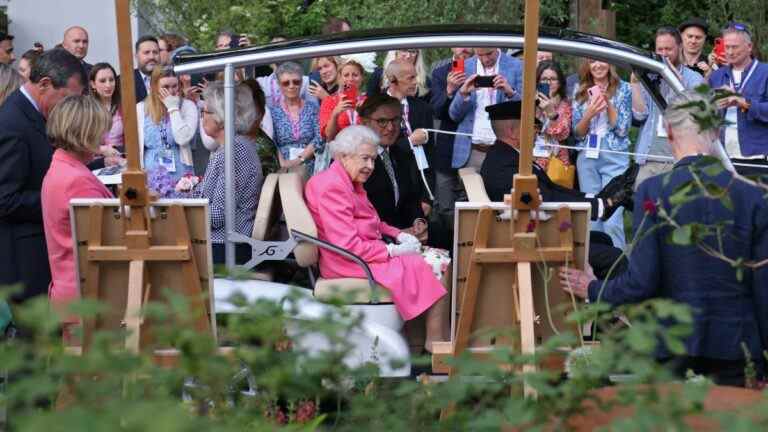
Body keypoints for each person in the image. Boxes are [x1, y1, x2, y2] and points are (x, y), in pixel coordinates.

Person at [560, 90, 768, 387]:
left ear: (669, 132)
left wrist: (593, 288)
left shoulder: (655, 191)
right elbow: (763, 287)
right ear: (717, 131)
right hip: (736, 346)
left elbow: (641, 282)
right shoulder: (753, 195)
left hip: (673, 346)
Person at [305, 125, 448, 351]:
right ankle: (435, 342)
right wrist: (391, 251)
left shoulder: (346, 180)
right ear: (343, 155)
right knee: (438, 263)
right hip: (349, 262)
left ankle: (418, 342)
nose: (370, 166)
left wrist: (398, 234)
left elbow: (373, 221)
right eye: (365, 159)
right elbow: (347, 245)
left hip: (364, 253)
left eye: (373, 159)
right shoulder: (332, 186)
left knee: (438, 256)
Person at [480, 99, 635, 278]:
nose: (536, 134)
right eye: (533, 127)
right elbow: (548, 200)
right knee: (614, 258)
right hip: (533, 242)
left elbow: (551, 189)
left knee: (603, 239)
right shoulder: (505, 167)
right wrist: (600, 205)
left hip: (537, 231)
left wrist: (595, 199)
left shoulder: (509, 157)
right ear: (513, 132)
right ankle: (608, 302)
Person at [0, 48, 85, 305]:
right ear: (45, 84)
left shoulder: (31, 114)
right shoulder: (12, 123)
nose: (69, 108)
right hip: (24, 260)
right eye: (66, 98)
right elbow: (5, 200)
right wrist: (59, 202)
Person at [41, 95, 112, 331]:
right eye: (100, 131)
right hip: (86, 296)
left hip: (70, 292)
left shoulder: (62, 166)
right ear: (85, 133)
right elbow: (108, 239)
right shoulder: (76, 180)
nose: (103, 138)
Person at [182, 82, 263, 265]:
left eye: (205, 111)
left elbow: (218, 215)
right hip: (222, 244)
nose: (202, 116)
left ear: (220, 116)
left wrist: (180, 213)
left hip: (226, 248)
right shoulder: (231, 148)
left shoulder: (233, 151)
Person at [359, 94, 451, 250]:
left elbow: (410, 198)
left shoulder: (399, 151)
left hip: (406, 231)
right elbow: (359, 217)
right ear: (365, 123)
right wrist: (397, 234)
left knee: (453, 236)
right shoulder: (356, 160)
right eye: (382, 121)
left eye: (396, 120)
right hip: (375, 240)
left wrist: (418, 221)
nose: (390, 127)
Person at [631, 27, 704, 187]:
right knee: (646, 209)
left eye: (668, 49)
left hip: (680, 159)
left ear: (680, 48)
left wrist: (676, 80)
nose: (663, 54)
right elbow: (639, 116)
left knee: (677, 210)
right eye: (660, 49)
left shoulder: (694, 79)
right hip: (650, 157)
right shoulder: (648, 77)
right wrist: (635, 85)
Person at [572, 59, 632, 249]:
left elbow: (622, 130)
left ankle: (619, 268)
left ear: (610, 64)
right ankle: (596, 266)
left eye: (602, 61)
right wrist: (589, 113)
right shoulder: (579, 90)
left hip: (614, 155)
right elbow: (577, 133)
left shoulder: (624, 89)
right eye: (592, 62)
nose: (597, 65)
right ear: (587, 66)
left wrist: (608, 104)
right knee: (592, 215)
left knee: (613, 218)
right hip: (587, 155)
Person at [708, 22, 768, 176]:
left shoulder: (765, 72)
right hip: (722, 156)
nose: (729, 52)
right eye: (727, 47)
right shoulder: (716, 76)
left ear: (749, 47)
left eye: (735, 47)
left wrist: (743, 102)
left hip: (756, 157)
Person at [449, 47, 523, 171]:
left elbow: (527, 111)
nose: (485, 59)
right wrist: (463, 94)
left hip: (504, 151)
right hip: (471, 151)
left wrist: (510, 92)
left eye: (489, 54)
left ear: (497, 47)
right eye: (480, 55)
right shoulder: (464, 66)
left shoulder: (517, 66)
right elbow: (454, 115)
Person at [429, 48, 473, 218]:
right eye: (459, 44)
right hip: (448, 145)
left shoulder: (481, 70)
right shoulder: (441, 72)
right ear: (452, 48)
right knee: (445, 206)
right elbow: (437, 111)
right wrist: (449, 90)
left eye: (468, 43)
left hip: (475, 146)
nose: (464, 48)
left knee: (473, 202)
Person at [138, 67, 198, 188]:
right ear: (154, 87)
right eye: (165, 87)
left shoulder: (188, 106)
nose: (171, 91)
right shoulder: (140, 108)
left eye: (175, 86)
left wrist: (173, 108)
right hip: (151, 175)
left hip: (182, 177)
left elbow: (182, 138)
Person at [267, 62, 322, 175]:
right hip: (283, 168)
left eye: (296, 82)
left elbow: (319, 137)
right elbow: (271, 141)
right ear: (279, 84)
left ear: (302, 83)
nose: (291, 86)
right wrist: (283, 163)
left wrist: (300, 159)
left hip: (309, 165)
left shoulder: (312, 108)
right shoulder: (273, 112)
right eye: (286, 83)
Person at [533, 61, 573, 174]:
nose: (549, 83)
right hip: (533, 158)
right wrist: (536, 107)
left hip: (557, 161)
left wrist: (551, 113)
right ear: (537, 81)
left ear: (560, 83)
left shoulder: (565, 104)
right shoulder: (529, 102)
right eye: (544, 79)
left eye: (553, 79)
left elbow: (562, 135)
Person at [319, 59, 366, 141]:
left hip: (364, 148)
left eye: (355, 75)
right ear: (340, 78)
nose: (350, 79)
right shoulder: (329, 101)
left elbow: (375, 134)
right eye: (346, 75)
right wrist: (335, 114)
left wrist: (364, 114)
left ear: (362, 78)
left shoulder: (369, 102)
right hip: (339, 149)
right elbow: (328, 137)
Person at [89, 63, 125, 166]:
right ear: (93, 84)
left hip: (121, 162)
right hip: (96, 164)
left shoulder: (122, 106)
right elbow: (78, 143)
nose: (108, 85)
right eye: (102, 81)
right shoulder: (86, 109)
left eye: (111, 80)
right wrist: (101, 149)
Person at [367, 49, 432, 103]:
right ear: (395, 52)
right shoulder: (379, 75)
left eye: (413, 51)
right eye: (404, 50)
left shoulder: (425, 81)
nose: (408, 56)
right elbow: (370, 106)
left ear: (417, 55)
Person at [133, 35, 160, 103]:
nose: (151, 57)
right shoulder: (125, 81)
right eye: (146, 52)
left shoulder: (169, 78)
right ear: (136, 56)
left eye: (155, 52)